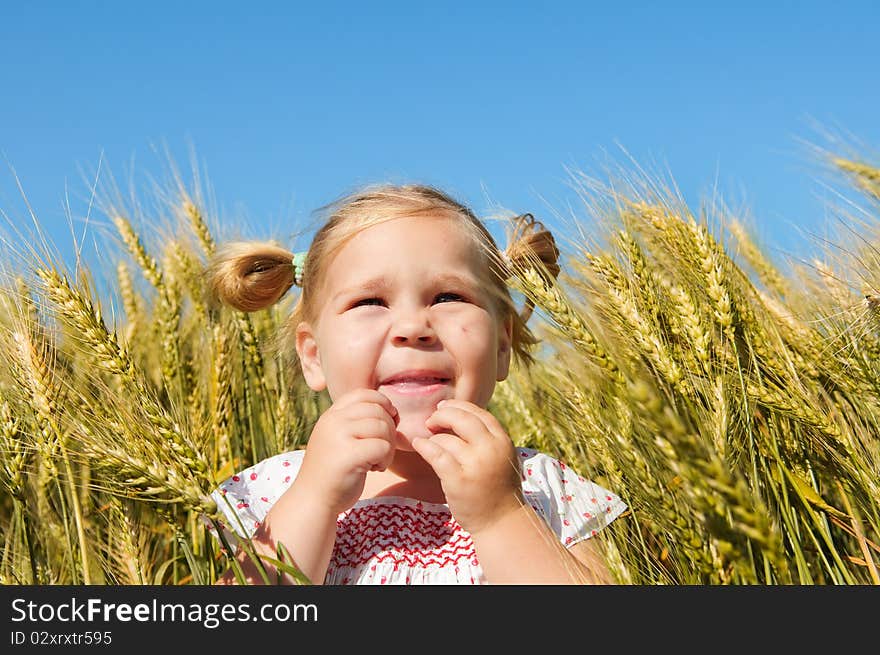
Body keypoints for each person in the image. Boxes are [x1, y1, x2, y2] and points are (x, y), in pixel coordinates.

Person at [205, 183, 626, 585]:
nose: (412, 327)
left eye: (448, 297)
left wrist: (501, 515)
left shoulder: (540, 487)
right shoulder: (281, 488)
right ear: (313, 356)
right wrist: (314, 500)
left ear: (502, 346)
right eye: (369, 302)